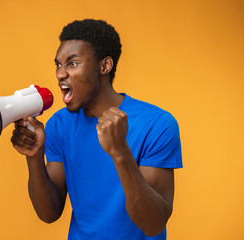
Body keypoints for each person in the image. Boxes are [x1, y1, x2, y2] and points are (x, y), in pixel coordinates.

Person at [11, 19, 182, 240]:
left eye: (72, 64)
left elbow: (153, 223)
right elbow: (49, 213)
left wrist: (120, 152)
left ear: (104, 66)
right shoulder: (59, 124)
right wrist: (34, 156)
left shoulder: (157, 124)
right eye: (58, 65)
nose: (60, 74)